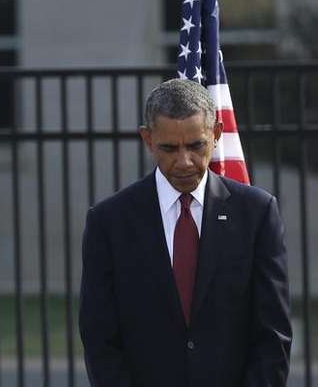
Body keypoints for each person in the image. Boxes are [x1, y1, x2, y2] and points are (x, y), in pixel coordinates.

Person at [79, 78, 291, 386]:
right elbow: (100, 340)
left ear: (216, 134)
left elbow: (273, 337)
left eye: (195, 145)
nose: (184, 161)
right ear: (147, 139)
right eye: (169, 148)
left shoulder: (256, 214)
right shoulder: (109, 222)